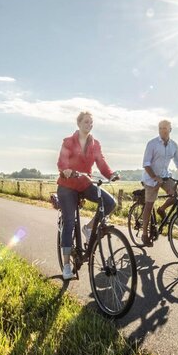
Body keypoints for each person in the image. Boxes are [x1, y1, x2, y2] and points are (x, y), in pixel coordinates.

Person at [57, 111, 120, 280]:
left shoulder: (95, 144)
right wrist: (66, 170)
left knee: (110, 203)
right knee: (69, 221)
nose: (89, 125)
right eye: (86, 122)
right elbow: (61, 161)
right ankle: (67, 266)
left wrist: (111, 174)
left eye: (91, 122)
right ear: (79, 123)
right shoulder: (68, 142)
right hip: (67, 186)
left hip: (85, 183)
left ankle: (89, 227)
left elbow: (101, 162)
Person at [141, 119, 178, 246]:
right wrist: (155, 177)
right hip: (151, 178)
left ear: (170, 130)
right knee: (149, 204)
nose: (162, 130)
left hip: (165, 177)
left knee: (176, 196)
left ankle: (161, 210)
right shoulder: (152, 144)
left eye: (165, 128)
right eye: (160, 128)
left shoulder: (174, 145)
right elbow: (146, 164)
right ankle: (144, 234)